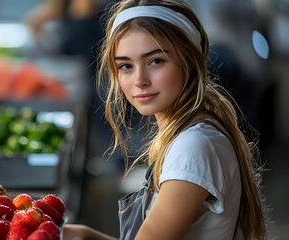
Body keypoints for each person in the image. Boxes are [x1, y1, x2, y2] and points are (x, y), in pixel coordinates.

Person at [63, 0, 268, 239]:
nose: (140, 80)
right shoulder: (190, 132)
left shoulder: (193, 146)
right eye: (126, 66)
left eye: (155, 61)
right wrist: (83, 235)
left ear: (189, 61)